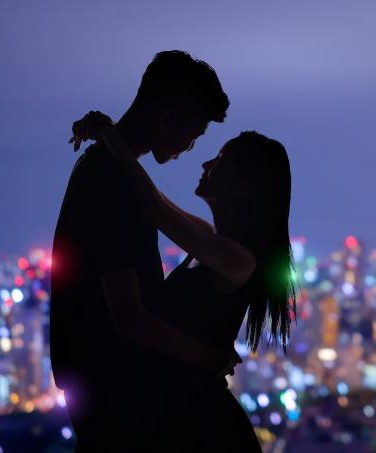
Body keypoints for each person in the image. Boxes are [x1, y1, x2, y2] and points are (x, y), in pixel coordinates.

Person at [69, 110, 298, 451]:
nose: (206, 163)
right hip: (183, 415)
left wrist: (110, 136)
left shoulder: (237, 259)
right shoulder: (209, 243)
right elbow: (156, 200)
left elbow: (151, 206)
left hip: (201, 425)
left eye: (221, 159)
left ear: (245, 185)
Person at [51, 51, 237, 452]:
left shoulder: (105, 169)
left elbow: (154, 203)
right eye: (195, 134)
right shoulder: (112, 181)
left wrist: (110, 137)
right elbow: (130, 316)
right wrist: (209, 358)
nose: (191, 148)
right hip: (116, 390)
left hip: (101, 384)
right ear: (167, 119)